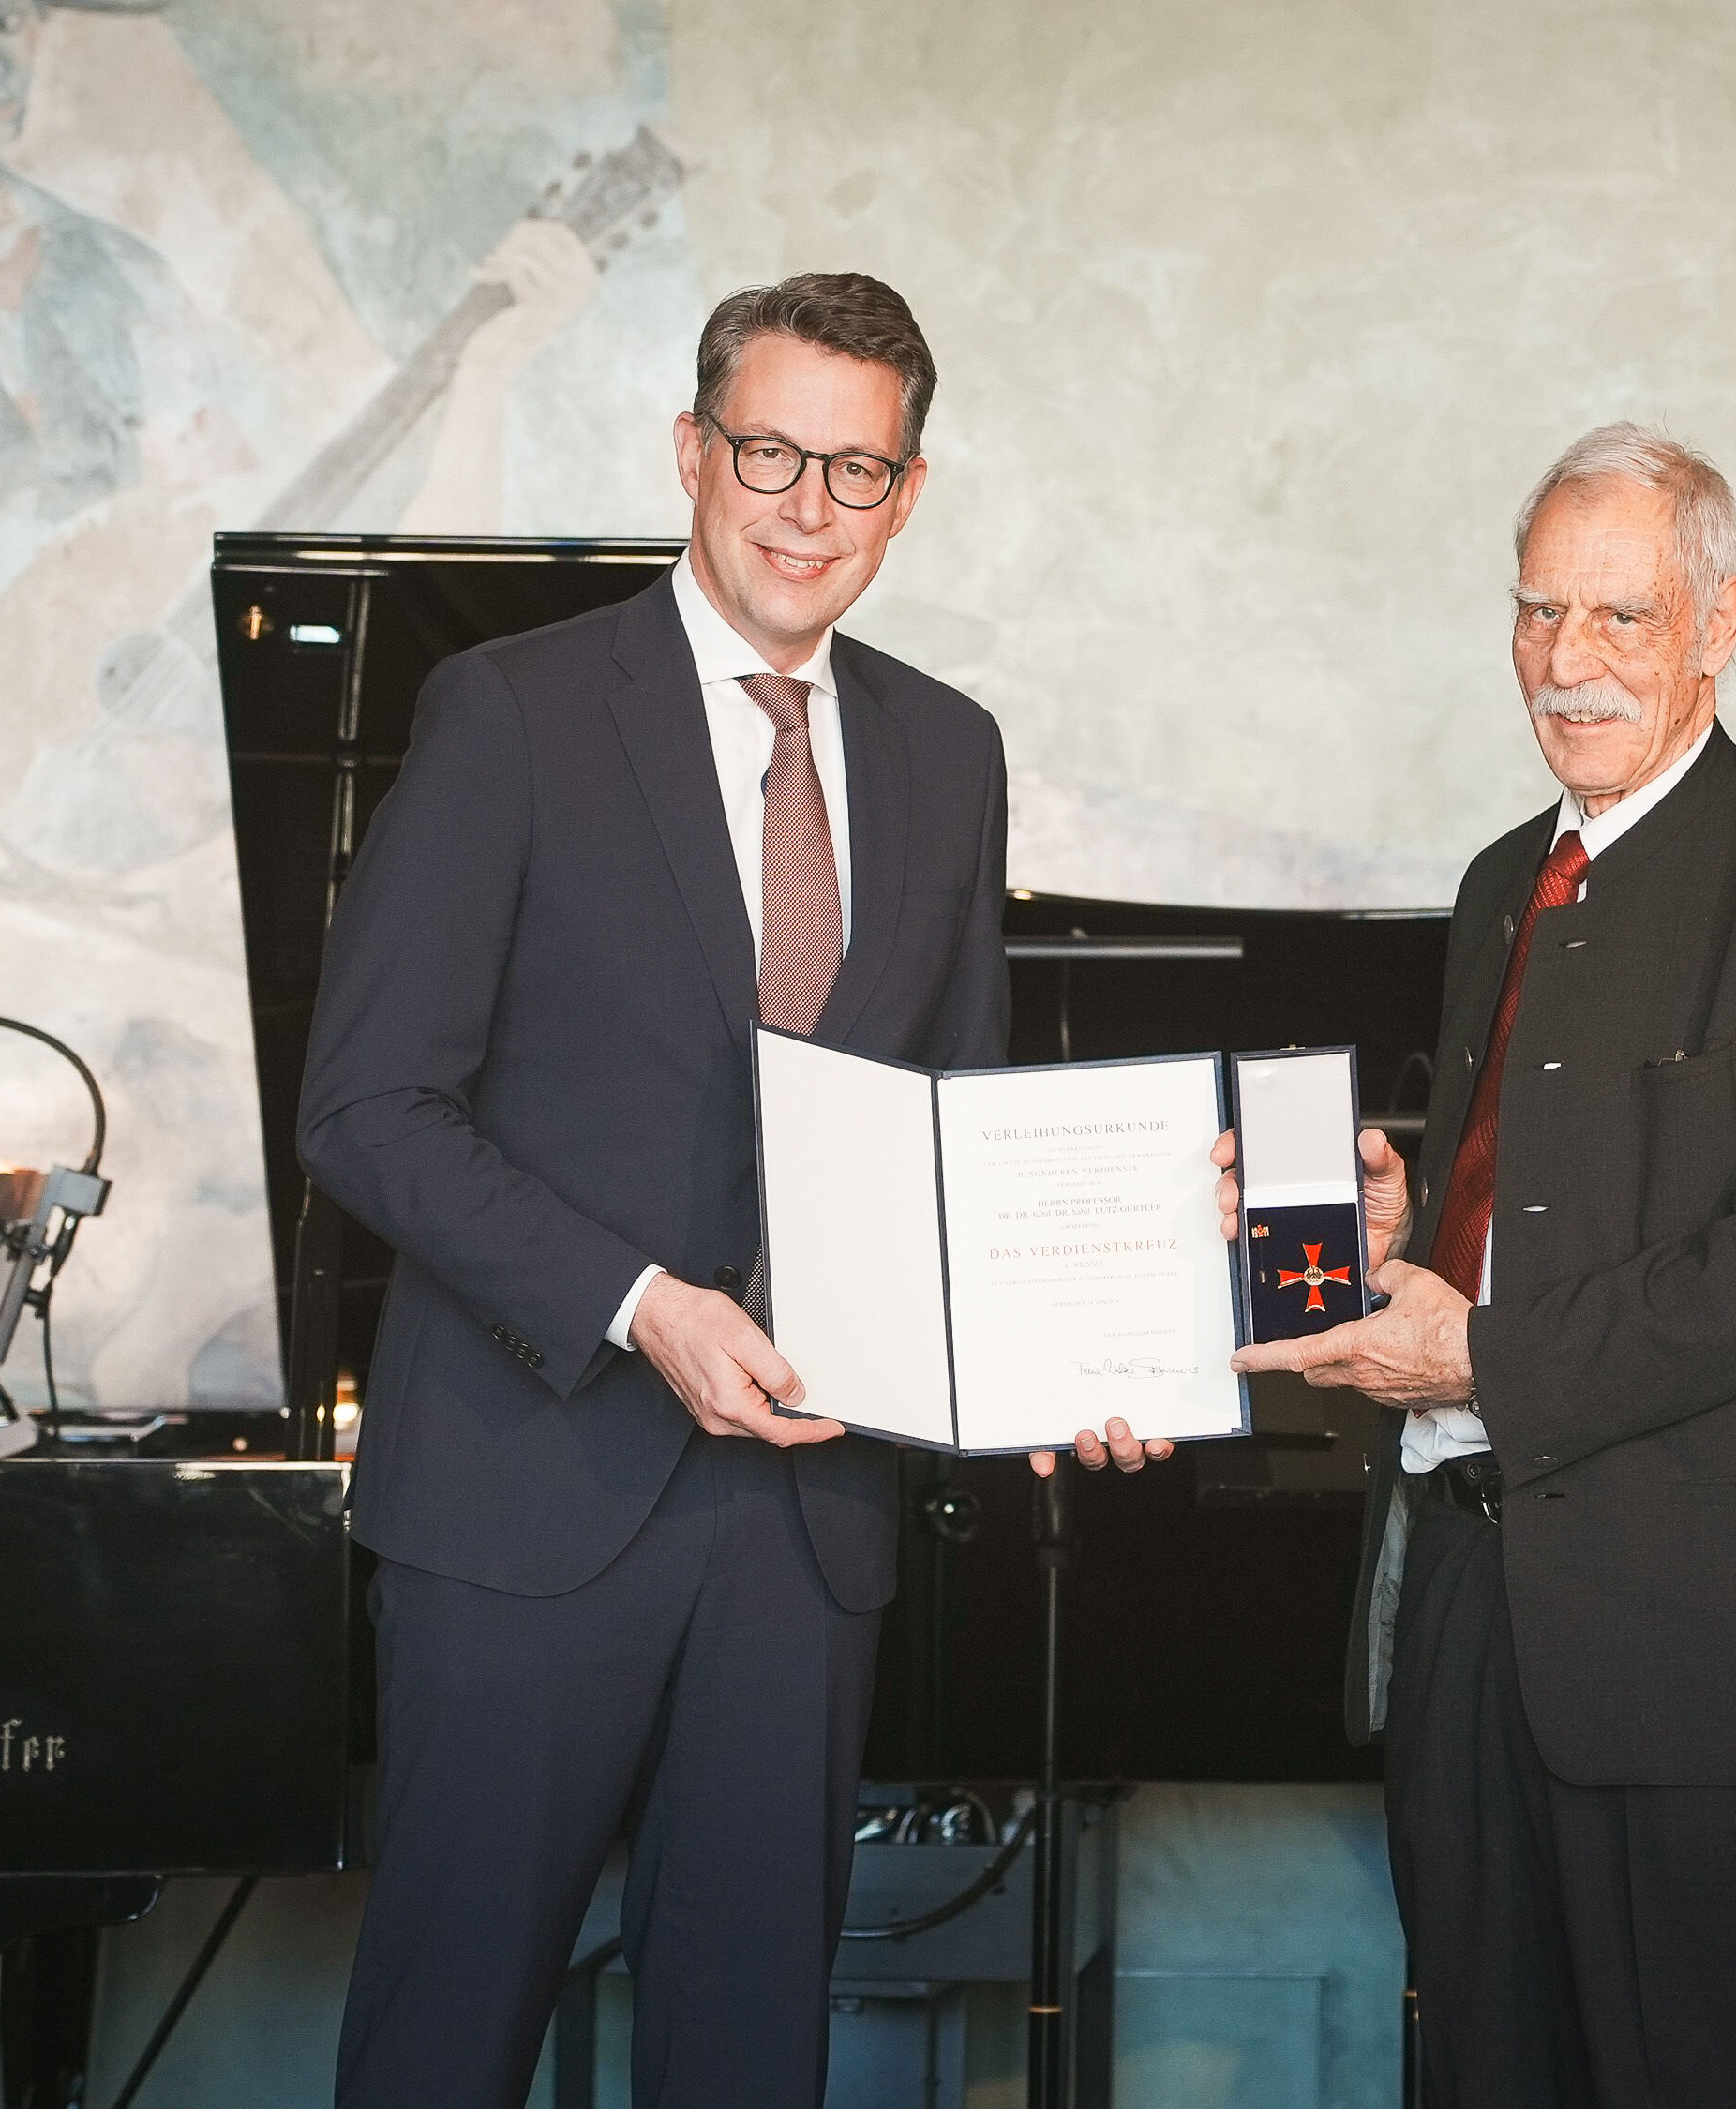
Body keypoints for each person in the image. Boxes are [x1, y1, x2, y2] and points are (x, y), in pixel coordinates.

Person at [298, 272, 1157, 2109]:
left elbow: (959, 1126)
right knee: (446, 2046)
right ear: (694, 452)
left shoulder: (949, 752)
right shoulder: (512, 713)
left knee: (746, 2057)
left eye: (858, 471)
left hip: (805, 1526)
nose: (806, 506)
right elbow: (368, 1104)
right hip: (526, 1505)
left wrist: (1077, 1354)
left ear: (908, 496)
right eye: (771, 451)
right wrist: (641, 1302)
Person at [1226, 424, 1736, 2107]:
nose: (1567, 659)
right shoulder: (1499, 881)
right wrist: (1408, 1234)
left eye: (1621, 616)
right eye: (1541, 611)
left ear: (1722, 619)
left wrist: (1481, 1355)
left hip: (1699, 1641)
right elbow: (1529, 1215)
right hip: (1466, 1608)